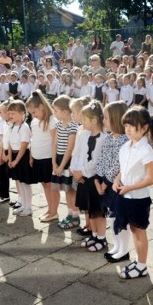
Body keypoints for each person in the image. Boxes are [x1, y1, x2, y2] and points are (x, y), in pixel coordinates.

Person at [113, 106, 153, 279]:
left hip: (138, 198)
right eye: (125, 125)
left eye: (131, 126)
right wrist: (117, 180)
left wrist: (129, 187)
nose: (127, 129)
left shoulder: (146, 150)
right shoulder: (126, 146)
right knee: (133, 230)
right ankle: (138, 260)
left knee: (139, 231)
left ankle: (142, 266)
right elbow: (123, 169)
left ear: (144, 128)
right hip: (125, 195)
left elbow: (151, 179)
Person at [71, 101, 108, 251]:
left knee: (98, 211)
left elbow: (96, 162)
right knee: (89, 209)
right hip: (82, 177)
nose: (82, 121)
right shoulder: (83, 134)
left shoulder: (103, 139)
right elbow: (78, 153)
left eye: (85, 119)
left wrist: (84, 172)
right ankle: (93, 234)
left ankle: (102, 237)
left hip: (94, 179)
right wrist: (75, 170)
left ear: (94, 120)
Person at [96, 101, 131, 263]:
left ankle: (124, 250)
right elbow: (102, 160)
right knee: (111, 216)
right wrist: (99, 179)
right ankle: (117, 246)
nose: (103, 121)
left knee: (120, 219)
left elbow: (118, 165)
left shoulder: (124, 140)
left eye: (106, 118)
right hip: (105, 183)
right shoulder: (109, 138)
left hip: (117, 185)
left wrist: (106, 182)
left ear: (117, 119)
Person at [26, 91, 57, 220]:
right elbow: (33, 139)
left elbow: (55, 141)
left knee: (50, 186)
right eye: (31, 113)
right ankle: (49, 209)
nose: (33, 115)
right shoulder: (34, 122)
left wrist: (55, 162)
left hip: (48, 158)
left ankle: (54, 211)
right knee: (44, 184)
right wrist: (31, 156)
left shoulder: (51, 120)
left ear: (41, 107)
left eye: (34, 112)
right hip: (38, 157)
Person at [51, 95, 79, 228]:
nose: (54, 114)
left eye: (55, 111)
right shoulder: (58, 125)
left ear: (64, 111)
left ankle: (75, 216)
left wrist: (61, 166)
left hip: (67, 162)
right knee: (65, 191)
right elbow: (55, 144)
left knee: (71, 190)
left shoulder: (73, 126)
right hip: (58, 160)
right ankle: (69, 214)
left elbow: (70, 149)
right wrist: (54, 163)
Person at [6, 100, 34, 215]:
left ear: (22, 113)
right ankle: (23, 205)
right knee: (19, 182)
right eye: (10, 113)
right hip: (14, 156)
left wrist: (16, 160)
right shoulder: (12, 126)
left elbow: (24, 146)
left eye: (13, 113)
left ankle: (28, 207)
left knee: (25, 183)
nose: (10, 115)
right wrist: (10, 158)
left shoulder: (24, 127)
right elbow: (10, 143)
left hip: (22, 157)